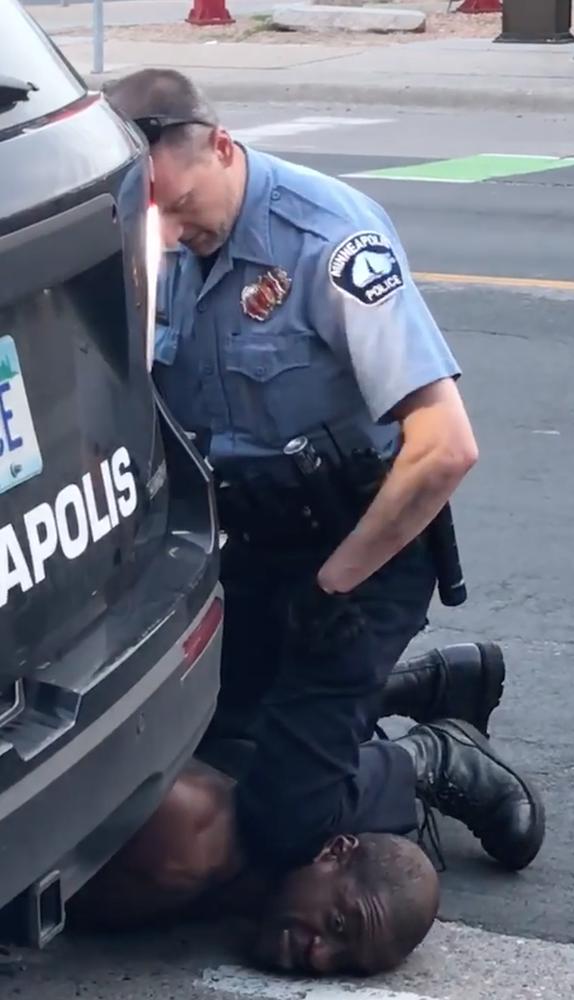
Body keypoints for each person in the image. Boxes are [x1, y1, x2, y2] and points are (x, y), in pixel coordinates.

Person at [103, 70, 545, 878]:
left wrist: (336, 584)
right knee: (201, 750)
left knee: (281, 821)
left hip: (356, 553)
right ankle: (416, 686)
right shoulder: (150, 240)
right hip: (247, 546)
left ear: (223, 148)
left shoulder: (326, 239)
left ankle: (433, 757)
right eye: (145, 211)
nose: (161, 231)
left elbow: (445, 446)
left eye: (175, 206)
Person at [70, 754, 440, 976]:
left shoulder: (260, 896)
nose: (320, 958)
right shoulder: (187, 840)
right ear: (334, 852)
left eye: (346, 965)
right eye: (337, 923)